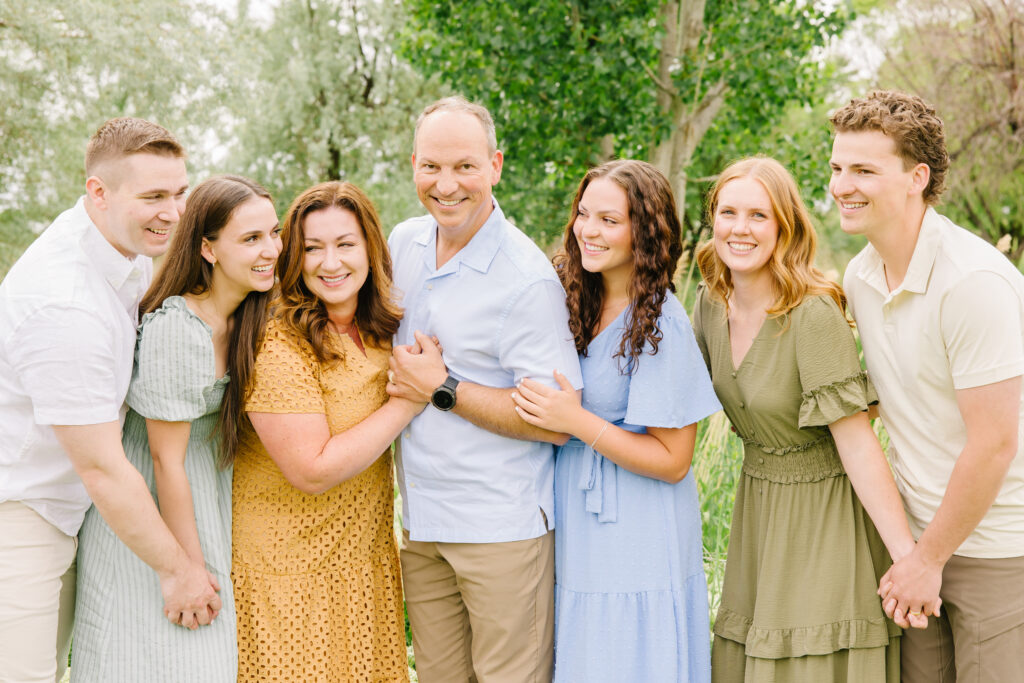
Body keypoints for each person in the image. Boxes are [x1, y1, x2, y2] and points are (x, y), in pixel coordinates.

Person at [0, 118, 221, 683]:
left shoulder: (121, 249)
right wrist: (180, 571)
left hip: (63, 511)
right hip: (18, 518)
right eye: (153, 197)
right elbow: (101, 467)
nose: (172, 212)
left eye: (179, 193)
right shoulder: (66, 305)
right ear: (98, 192)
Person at [692, 156, 918, 681]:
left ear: (784, 228)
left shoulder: (812, 313)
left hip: (824, 517)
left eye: (758, 216)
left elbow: (859, 443)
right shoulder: (709, 303)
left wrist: (909, 558)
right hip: (758, 512)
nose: (739, 229)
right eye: (728, 212)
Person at [385, 95, 583, 682]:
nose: (447, 185)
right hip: (421, 524)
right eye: (432, 167)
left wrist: (442, 386)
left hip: (499, 531)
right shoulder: (402, 245)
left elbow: (555, 419)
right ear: (413, 164)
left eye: (465, 167)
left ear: (495, 166)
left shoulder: (525, 280)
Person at [832, 90, 1024, 682]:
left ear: (917, 178)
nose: (842, 185)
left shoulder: (974, 283)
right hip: (915, 545)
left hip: (997, 548)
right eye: (838, 167)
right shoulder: (859, 276)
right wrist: (913, 557)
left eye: (864, 170)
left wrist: (929, 560)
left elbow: (994, 443)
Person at [509, 160, 721, 681]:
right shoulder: (573, 297)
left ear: (643, 232)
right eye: (584, 214)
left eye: (609, 220)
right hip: (577, 516)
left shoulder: (659, 322)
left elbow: (674, 461)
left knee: (628, 656)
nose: (589, 230)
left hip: (639, 526)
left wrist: (576, 421)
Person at [70, 175, 281, 681]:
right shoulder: (178, 330)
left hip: (200, 499)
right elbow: (166, 462)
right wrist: (187, 569)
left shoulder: (245, 316)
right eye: (251, 239)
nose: (271, 249)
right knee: (171, 660)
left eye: (274, 233)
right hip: (160, 517)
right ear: (207, 249)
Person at [232, 181, 417, 682]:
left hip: (363, 565)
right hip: (286, 572)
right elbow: (309, 469)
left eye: (345, 245)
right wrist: (408, 404)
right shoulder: (279, 340)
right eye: (312, 248)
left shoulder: (382, 330)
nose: (329, 262)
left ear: (371, 249)